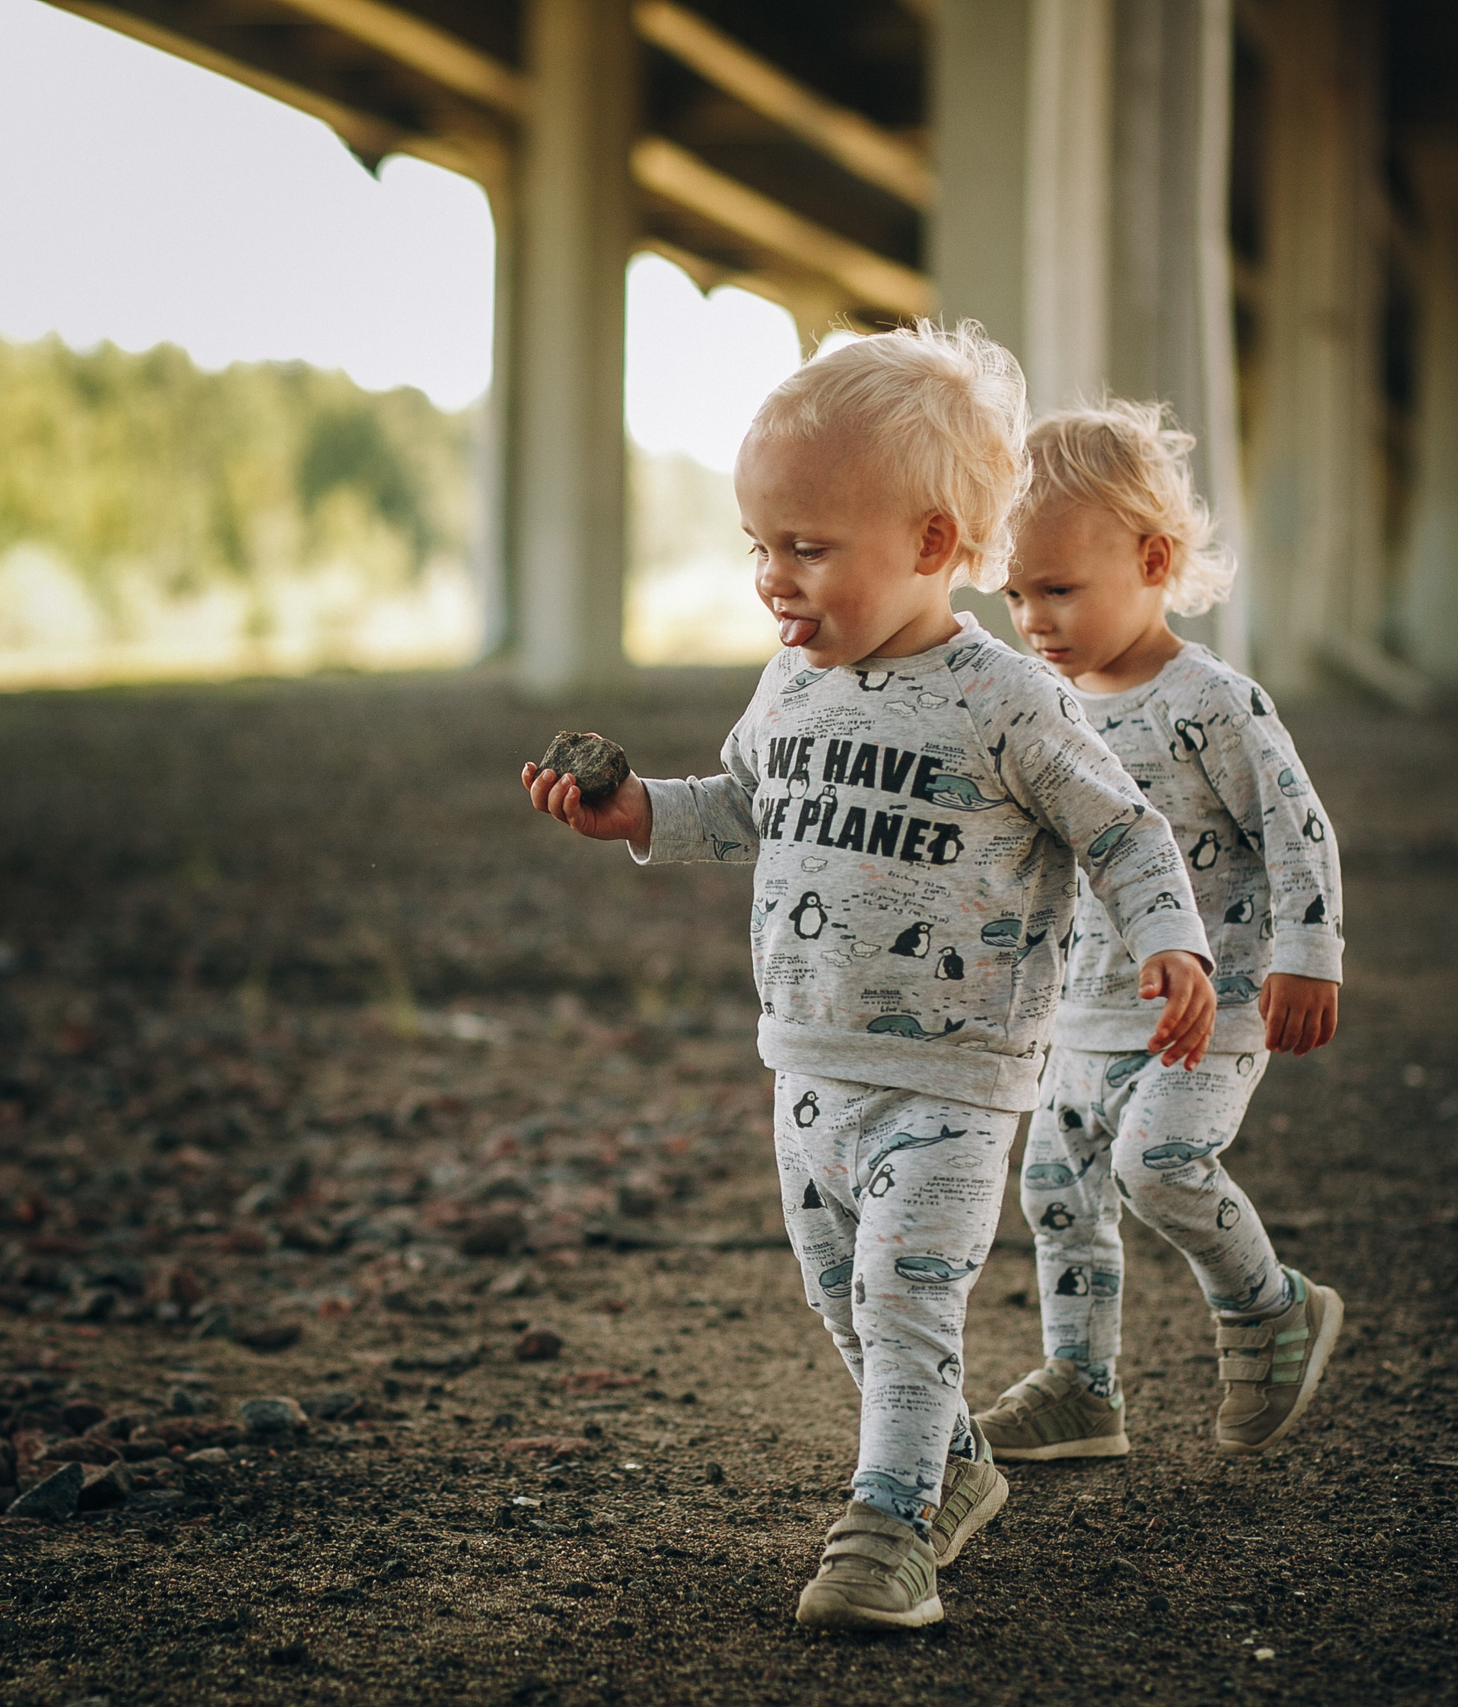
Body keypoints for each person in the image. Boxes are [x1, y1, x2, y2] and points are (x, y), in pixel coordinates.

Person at [521, 324, 1215, 1632]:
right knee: (843, 1294)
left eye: (806, 547)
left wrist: (1169, 939)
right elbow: (745, 804)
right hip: (809, 1062)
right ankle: (953, 1464)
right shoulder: (791, 685)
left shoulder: (1008, 700)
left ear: (932, 542)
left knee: (906, 1295)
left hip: (952, 1076)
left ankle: (890, 1525)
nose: (771, 579)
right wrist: (639, 811)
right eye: (757, 545)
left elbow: (1123, 830)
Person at [976, 400, 1345, 1465]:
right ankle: (1080, 1386)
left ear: (1151, 560)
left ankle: (1269, 1307)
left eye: (1058, 588)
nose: (1032, 618)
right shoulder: (1038, 707)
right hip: (1082, 1011)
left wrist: (1307, 954)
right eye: (1014, 593)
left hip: (1213, 1004)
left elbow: (1297, 827)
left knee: (1161, 1163)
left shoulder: (1211, 702)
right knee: (1057, 1192)